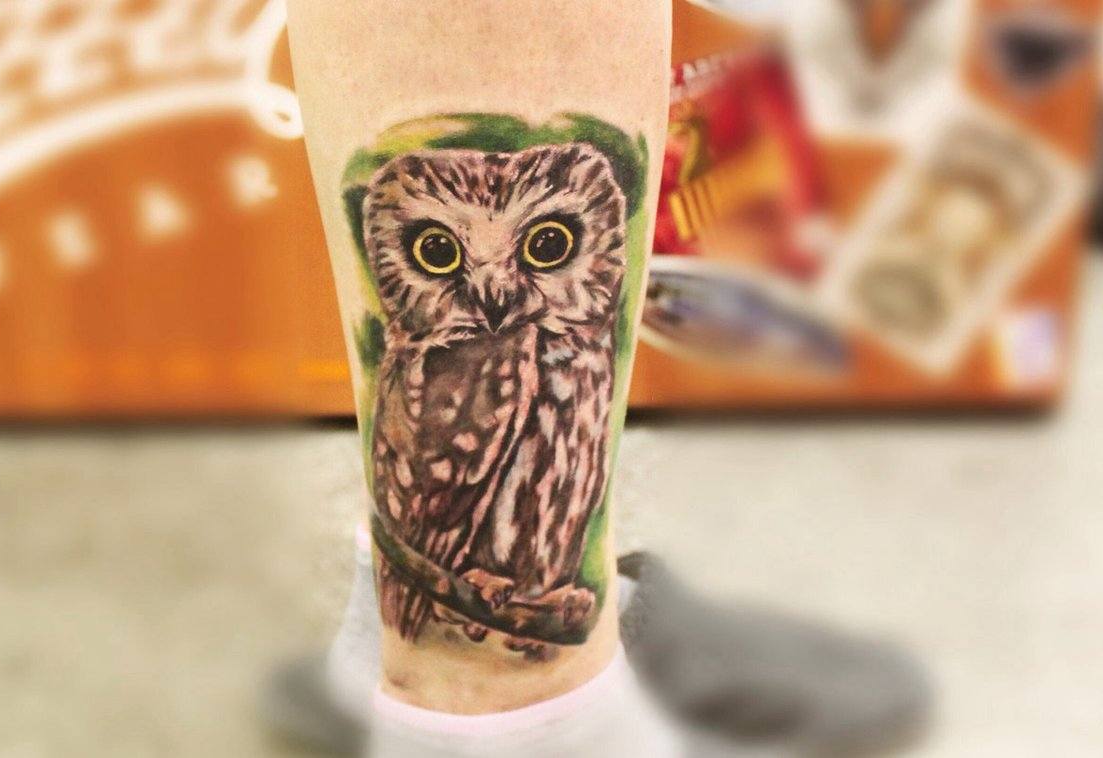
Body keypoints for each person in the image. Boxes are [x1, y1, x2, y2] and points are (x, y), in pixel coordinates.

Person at [271, 2, 929, 756]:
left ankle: (415, 662)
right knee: (491, 685)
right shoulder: (463, 364)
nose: (496, 294)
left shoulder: (569, 351)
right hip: (462, 605)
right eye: (439, 254)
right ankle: (490, 705)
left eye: (547, 244)